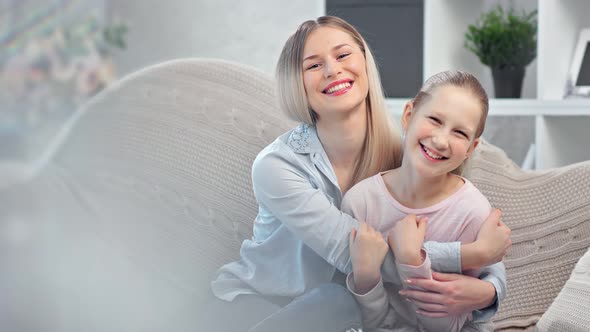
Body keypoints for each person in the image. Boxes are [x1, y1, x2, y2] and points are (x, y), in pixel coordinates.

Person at [200, 16, 511, 332]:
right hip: (253, 306)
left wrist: (489, 290)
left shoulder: (408, 151)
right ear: (297, 83)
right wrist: (471, 254)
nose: (333, 70)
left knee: (340, 306)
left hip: (336, 318)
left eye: (343, 55)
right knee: (338, 301)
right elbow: (355, 255)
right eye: (313, 65)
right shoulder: (277, 166)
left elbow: (469, 226)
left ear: (365, 60)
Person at [343, 70, 502, 331]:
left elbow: (447, 327)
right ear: (408, 116)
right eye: (435, 119)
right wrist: (367, 278)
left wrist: (411, 261)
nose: (441, 140)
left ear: (471, 150)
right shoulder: (360, 202)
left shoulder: (472, 212)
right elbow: (364, 321)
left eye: (460, 133)